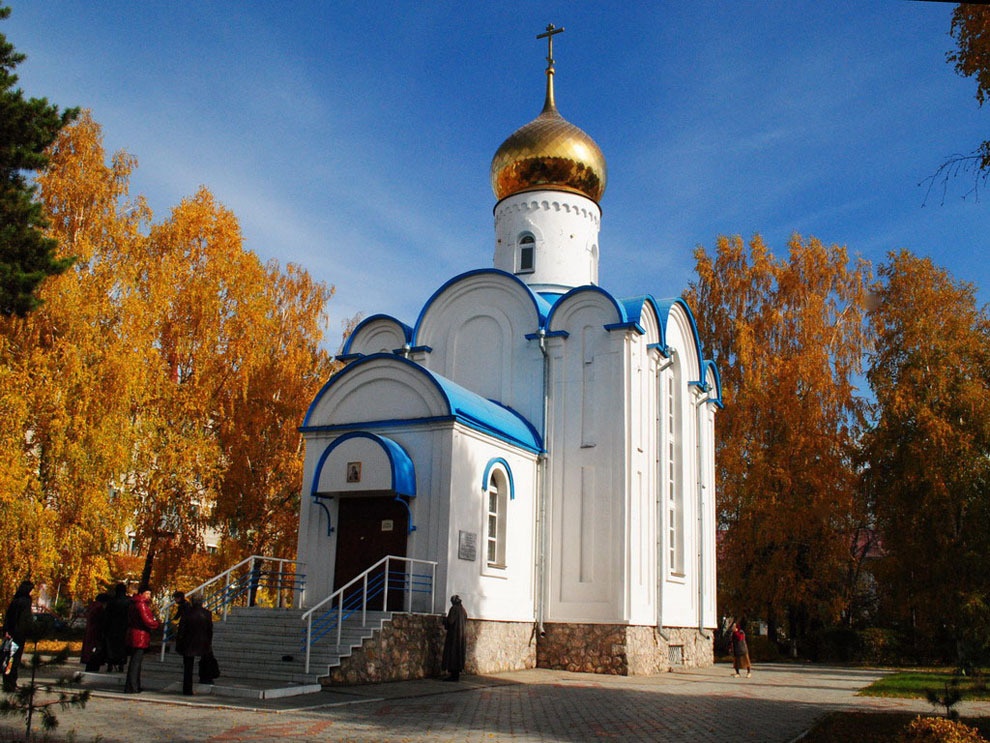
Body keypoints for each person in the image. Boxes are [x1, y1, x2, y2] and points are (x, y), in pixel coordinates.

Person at [124, 585, 160, 694]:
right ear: (142, 593)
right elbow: (147, 620)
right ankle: (133, 686)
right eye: (147, 593)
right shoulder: (141, 604)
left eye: (150, 594)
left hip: (134, 634)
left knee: (134, 661)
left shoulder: (133, 603)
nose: (149, 596)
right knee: (136, 662)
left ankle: (132, 685)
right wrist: (156, 623)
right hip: (140, 636)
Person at [176, 596, 213, 695]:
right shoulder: (207, 614)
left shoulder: (187, 613)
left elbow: (181, 629)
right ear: (202, 602)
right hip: (203, 642)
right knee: (205, 661)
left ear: (192, 602)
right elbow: (210, 629)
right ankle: (205, 679)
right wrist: (209, 641)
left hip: (188, 642)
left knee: (188, 667)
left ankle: (187, 688)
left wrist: (179, 641)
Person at [2, 580, 34, 691]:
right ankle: (11, 682)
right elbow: (25, 619)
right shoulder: (26, 601)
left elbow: (8, 616)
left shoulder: (15, 600)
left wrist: (6, 630)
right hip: (19, 635)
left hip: (11, 634)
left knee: (9, 658)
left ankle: (7, 681)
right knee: (15, 659)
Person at [441, 594, 467, 682]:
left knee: (452, 654)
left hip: (454, 636)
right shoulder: (463, 610)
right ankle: (456, 675)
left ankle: (453, 675)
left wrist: (444, 620)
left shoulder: (454, 609)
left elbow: (450, 621)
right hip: (461, 637)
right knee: (458, 655)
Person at [104, 583, 130, 672]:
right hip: (124, 627)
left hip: (111, 627)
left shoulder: (111, 601)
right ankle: (121, 665)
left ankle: (110, 664)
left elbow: (106, 615)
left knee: (111, 646)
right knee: (122, 646)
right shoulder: (128, 602)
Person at [81, 593, 109, 672]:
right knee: (95, 654)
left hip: (90, 633)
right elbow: (102, 622)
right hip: (96, 634)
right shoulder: (99, 608)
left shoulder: (92, 606)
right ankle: (93, 669)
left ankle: (90, 668)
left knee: (90, 653)